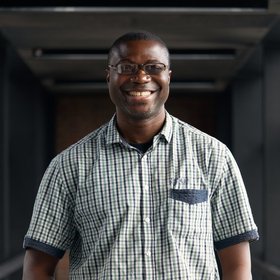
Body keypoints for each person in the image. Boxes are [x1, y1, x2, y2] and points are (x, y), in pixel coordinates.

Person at [22, 31, 259, 279]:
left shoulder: (213, 156)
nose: (141, 77)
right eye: (126, 67)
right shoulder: (68, 165)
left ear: (168, 76)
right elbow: (38, 266)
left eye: (154, 67)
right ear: (109, 76)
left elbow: (238, 265)